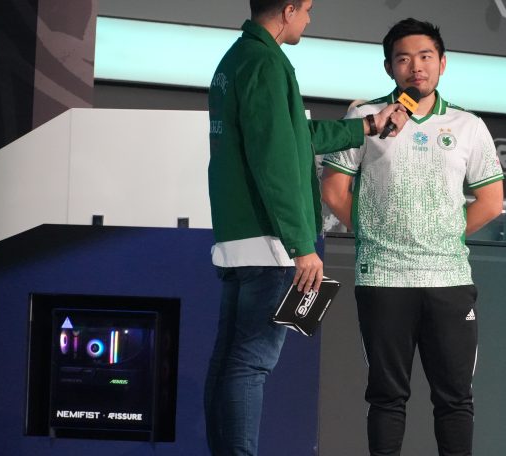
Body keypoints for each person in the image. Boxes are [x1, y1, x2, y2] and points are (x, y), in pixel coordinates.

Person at [204, 1, 408, 455]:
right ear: (289, 9)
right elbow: (275, 160)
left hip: (243, 240)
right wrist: (301, 246)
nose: (310, 19)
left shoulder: (238, 58)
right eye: (308, 9)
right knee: (250, 365)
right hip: (270, 244)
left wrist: (368, 126)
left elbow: (295, 136)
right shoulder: (266, 62)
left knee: (231, 363)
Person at [321, 18, 504, 456]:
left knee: (455, 399)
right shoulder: (365, 119)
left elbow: (491, 201)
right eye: (403, 59)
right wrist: (375, 233)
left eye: (425, 57)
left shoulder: (468, 125)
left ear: (442, 63)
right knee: (387, 397)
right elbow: (333, 190)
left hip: (449, 280)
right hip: (384, 278)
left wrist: (439, 235)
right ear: (389, 67)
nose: (416, 67)